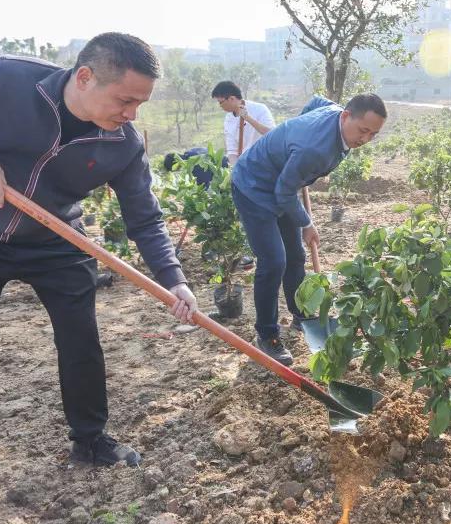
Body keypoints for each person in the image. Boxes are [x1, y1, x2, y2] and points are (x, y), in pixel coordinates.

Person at [0, 33, 199, 524]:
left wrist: (174, 280)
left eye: (141, 104)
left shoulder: (123, 144)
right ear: (84, 77)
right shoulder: (8, 80)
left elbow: (145, 219)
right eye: (125, 100)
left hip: (56, 240)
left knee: (80, 341)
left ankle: (91, 439)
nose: (132, 115)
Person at [231, 93, 387, 364]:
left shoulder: (334, 111)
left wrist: (294, 134)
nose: (365, 140)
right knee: (273, 261)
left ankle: (300, 313)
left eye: (373, 134)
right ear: (346, 116)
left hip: (282, 185)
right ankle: (267, 335)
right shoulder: (314, 151)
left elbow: (315, 101)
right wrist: (306, 222)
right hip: (254, 187)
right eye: (363, 130)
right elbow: (283, 194)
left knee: (296, 256)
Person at [212, 81, 276, 168]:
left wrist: (247, 118)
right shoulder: (228, 119)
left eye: (221, 102)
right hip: (244, 164)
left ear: (231, 99)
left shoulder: (260, 109)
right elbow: (232, 151)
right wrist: (235, 170)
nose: (220, 106)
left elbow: (273, 135)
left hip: (264, 162)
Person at [162, 147, 228, 189]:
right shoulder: (191, 152)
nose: (178, 170)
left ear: (176, 163)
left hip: (226, 173)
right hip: (227, 162)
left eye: (174, 169)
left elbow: (204, 186)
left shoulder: (193, 165)